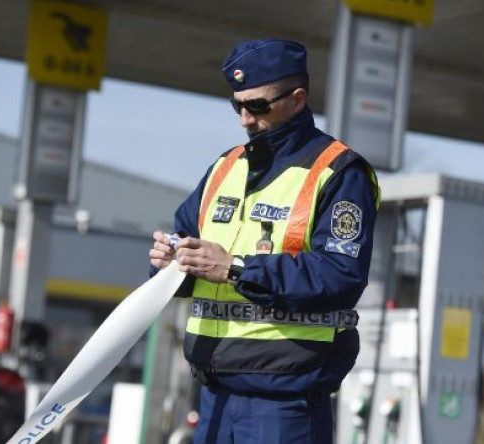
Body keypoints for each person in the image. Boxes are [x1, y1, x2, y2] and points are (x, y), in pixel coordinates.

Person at [149, 38, 380, 444]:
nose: (244, 119)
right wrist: (168, 263)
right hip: (214, 396)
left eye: (257, 106)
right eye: (237, 105)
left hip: (285, 403)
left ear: (297, 99)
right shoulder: (225, 167)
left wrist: (236, 269)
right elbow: (187, 246)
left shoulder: (340, 173)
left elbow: (341, 275)